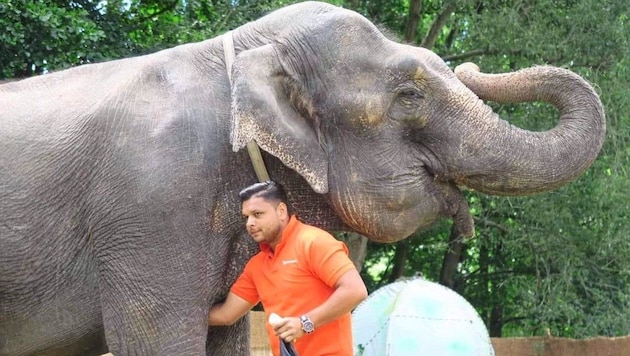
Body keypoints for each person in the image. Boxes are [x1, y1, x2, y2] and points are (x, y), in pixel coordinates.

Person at [208, 180, 368, 356]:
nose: (249, 223)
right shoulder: (257, 265)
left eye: (257, 214)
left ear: (281, 211)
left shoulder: (314, 242)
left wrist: (305, 323)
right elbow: (226, 315)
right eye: (246, 217)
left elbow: (356, 290)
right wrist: (179, 318)